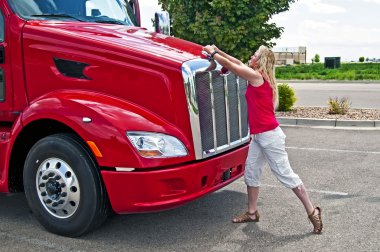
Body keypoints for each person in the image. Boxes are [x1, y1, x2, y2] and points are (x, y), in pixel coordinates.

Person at [202, 45, 323, 234]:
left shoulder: (257, 77)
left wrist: (213, 53)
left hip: (270, 137)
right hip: (258, 137)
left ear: (261, 61)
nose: (252, 56)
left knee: (286, 175)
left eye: (255, 55)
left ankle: (312, 210)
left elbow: (231, 66)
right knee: (251, 173)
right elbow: (236, 62)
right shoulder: (257, 76)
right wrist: (218, 50)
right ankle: (252, 213)